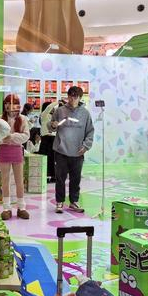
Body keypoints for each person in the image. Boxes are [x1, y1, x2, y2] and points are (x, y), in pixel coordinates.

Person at [50, 86, 94, 214]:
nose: (72, 99)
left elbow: (90, 131)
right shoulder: (60, 111)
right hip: (61, 151)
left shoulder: (85, 113)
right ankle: (59, 202)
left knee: (76, 179)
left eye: (75, 96)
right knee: (60, 178)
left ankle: (74, 201)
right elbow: (51, 126)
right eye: (70, 96)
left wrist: (86, 146)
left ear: (80, 98)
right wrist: (52, 125)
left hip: (78, 152)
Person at [0, 94, 30, 220]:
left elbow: (26, 136)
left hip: (16, 149)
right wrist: (3, 138)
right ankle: (7, 208)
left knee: (19, 180)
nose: (10, 106)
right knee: (5, 180)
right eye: (7, 103)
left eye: (13, 103)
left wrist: (12, 137)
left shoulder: (23, 119)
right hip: (4, 149)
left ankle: (21, 207)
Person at [38, 101, 58, 183]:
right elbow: (49, 108)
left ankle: (54, 176)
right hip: (45, 139)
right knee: (45, 159)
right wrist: (57, 102)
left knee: (53, 159)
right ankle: (45, 176)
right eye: (52, 108)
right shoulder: (44, 115)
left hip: (53, 139)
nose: (53, 109)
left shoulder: (53, 117)